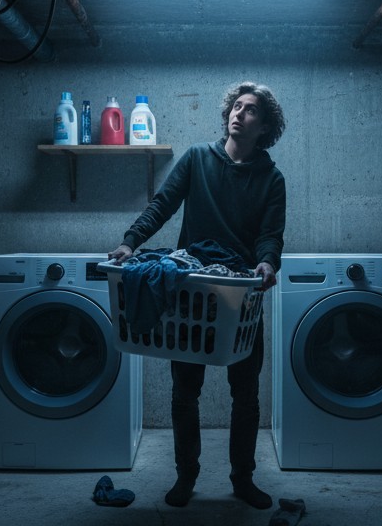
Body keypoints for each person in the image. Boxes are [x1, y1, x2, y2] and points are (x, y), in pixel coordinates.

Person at [108, 81, 287, 510]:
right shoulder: (197, 159)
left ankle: (242, 479)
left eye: (250, 110)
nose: (238, 114)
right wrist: (130, 242)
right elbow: (163, 205)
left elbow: (270, 236)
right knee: (184, 390)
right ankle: (186, 476)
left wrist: (267, 263)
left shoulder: (271, 179)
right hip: (192, 293)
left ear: (264, 127)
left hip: (240, 295)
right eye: (236, 106)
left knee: (244, 394)